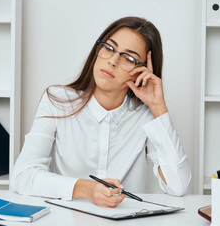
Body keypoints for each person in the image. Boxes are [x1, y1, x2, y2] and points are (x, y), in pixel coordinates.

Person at [10, 16, 191, 208]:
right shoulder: (58, 100)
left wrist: (158, 107)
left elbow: (178, 186)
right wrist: (86, 189)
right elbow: (22, 175)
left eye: (128, 58)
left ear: (143, 70)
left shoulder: (145, 115)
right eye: (109, 48)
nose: (112, 61)